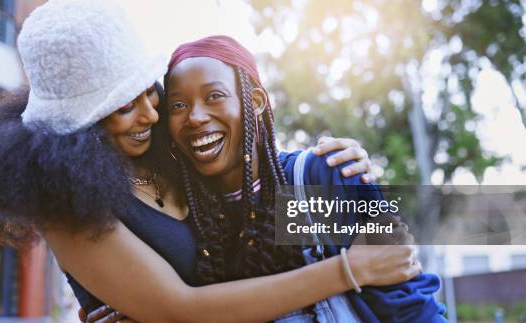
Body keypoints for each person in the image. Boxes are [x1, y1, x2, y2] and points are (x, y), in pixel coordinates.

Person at [0, 1, 421, 322]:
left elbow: (261, 190)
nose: (150, 114)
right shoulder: (68, 205)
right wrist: (349, 271)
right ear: (81, 124)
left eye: (148, 91)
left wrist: (338, 174)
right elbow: (181, 310)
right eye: (122, 107)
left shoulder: (172, 151)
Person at [160, 35, 446, 322]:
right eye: (178, 106)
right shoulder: (180, 214)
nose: (195, 117)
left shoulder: (317, 179)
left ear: (255, 101)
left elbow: (406, 301)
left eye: (214, 96)